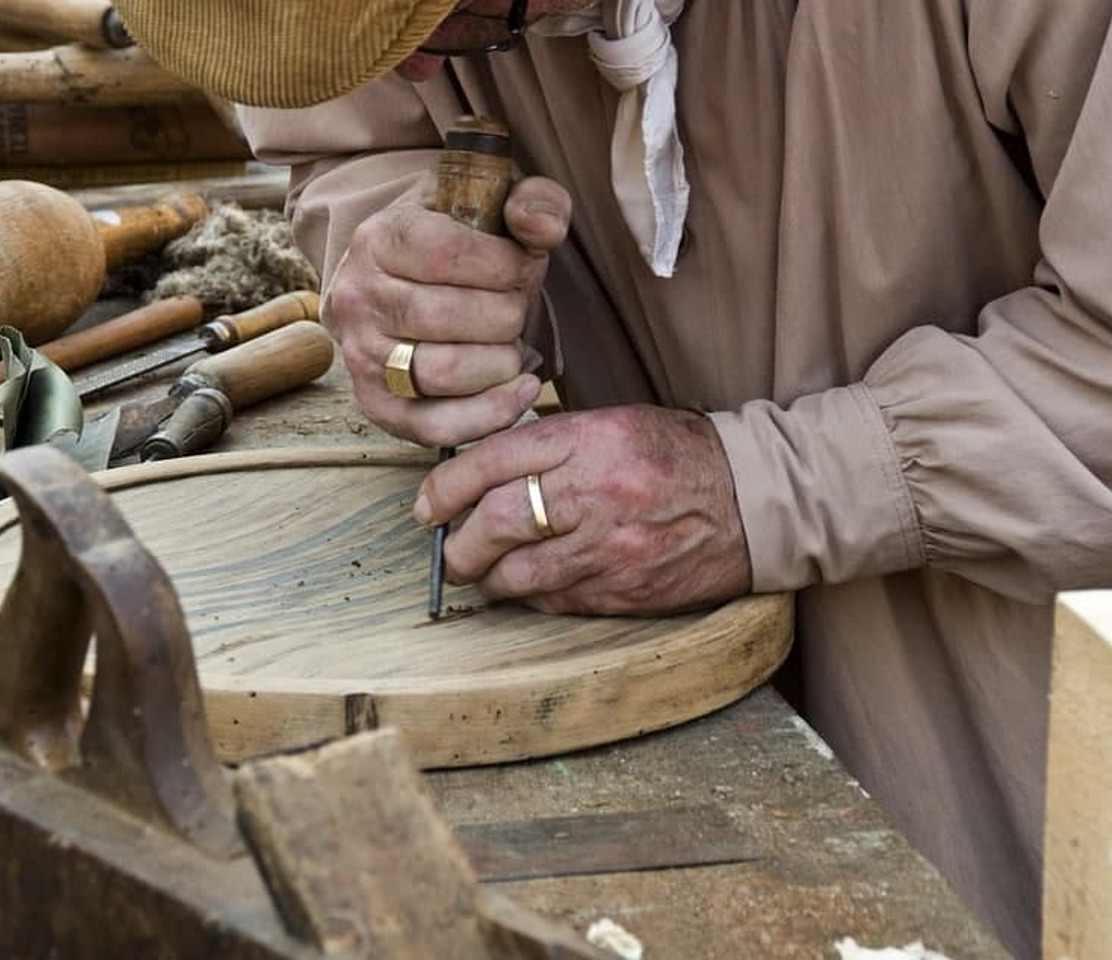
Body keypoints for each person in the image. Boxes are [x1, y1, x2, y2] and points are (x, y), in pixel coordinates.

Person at [113, 1, 1112, 954]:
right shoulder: (403, 48)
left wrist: (759, 488)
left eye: (438, 15)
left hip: (1027, 745)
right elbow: (349, 141)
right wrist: (400, 268)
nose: (415, 67)